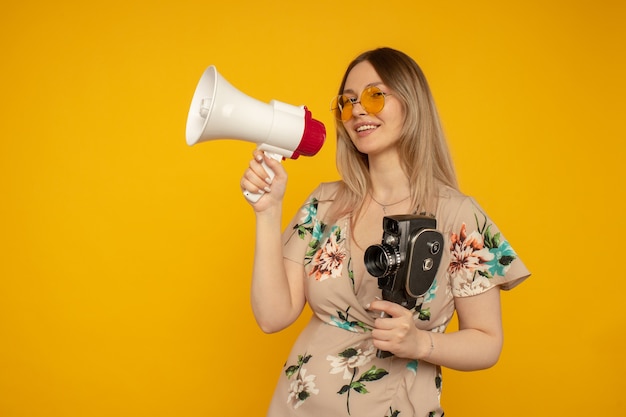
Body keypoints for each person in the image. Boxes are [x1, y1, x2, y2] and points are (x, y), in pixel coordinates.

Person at [240, 47, 530, 417]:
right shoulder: (325, 204)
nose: (358, 110)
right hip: (298, 405)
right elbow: (272, 316)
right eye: (347, 102)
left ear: (412, 103)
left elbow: (488, 343)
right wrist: (267, 212)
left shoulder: (457, 214)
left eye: (375, 96)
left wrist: (419, 343)